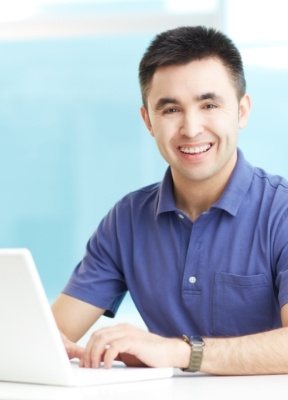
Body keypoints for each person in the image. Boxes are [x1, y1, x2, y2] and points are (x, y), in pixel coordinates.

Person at [52, 25, 288, 375]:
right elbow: (53, 332)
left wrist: (178, 352)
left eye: (209, 104)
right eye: (170, 110)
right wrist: (64, 348)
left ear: (241, 111)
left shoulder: (280, 212)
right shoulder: (127, 220)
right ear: (148, 120)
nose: (191, 129)